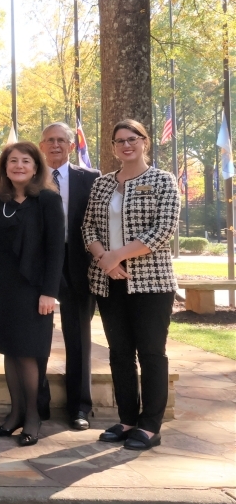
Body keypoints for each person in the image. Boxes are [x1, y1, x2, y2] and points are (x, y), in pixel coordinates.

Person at [82, 119, 180, 451]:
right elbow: (88, 228)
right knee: (120, 353)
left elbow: (162, 230)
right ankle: (127, 419)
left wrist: (117, 255)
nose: (126, 145)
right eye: (119, 141)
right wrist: (105, 260)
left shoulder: (163, 181)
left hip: (151, 283)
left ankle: (150, 425)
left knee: (151, 353)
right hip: (110, 283)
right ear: (112, 148)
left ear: (145, 142)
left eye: (132, 139)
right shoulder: (102, 185)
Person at [0, 142, 64, 447]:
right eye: (13, 161)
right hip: (4, 286)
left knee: (28, 353)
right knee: (10, 351)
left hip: (35, 289)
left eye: (26, 161)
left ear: (36, 167)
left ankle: (33, 419)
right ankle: (14, 416)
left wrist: (49, 292)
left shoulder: (49, 200)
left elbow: (55, 251)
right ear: (5, 167)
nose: (19, 166)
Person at [38, 122, 99, 431]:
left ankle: (79, 407)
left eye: (62, 140)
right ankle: (39, 404)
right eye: (50, 140)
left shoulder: (91, 178)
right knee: (37, 338)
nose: (56, 145)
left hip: (78, 265)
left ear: (72, 146)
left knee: (78, 338)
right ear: (41, 145)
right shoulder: (30, 178)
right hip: (40, 267)